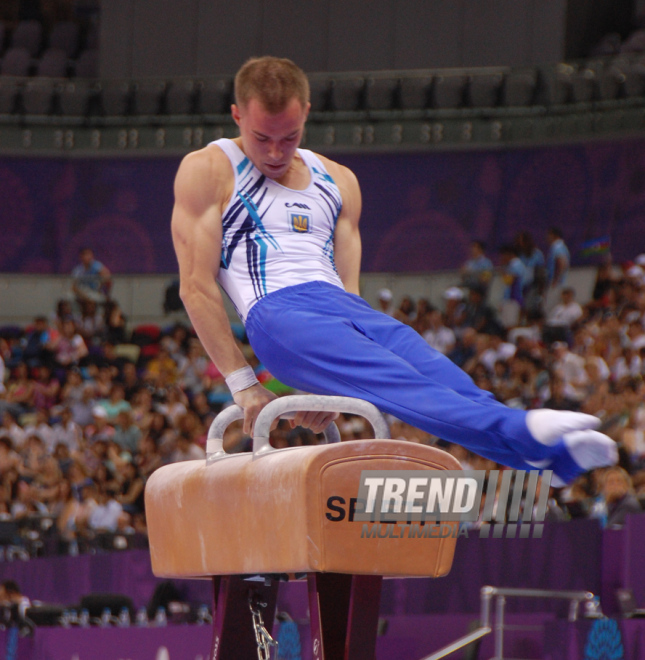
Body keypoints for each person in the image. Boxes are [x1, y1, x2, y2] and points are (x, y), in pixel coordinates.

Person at [170, 55, 617, 486]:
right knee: (402, 385)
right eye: (261, 138)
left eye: (289, 137)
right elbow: (196, 287)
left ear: (306, 113)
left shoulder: (338, 180)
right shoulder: (210, 170)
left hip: (345, 309)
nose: (274, 152)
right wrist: (243, 382)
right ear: (235, 116)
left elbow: (348, 288)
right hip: (280, 316)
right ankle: (523, 429)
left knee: (443, 377)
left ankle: (546, 462)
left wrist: (327, 383)